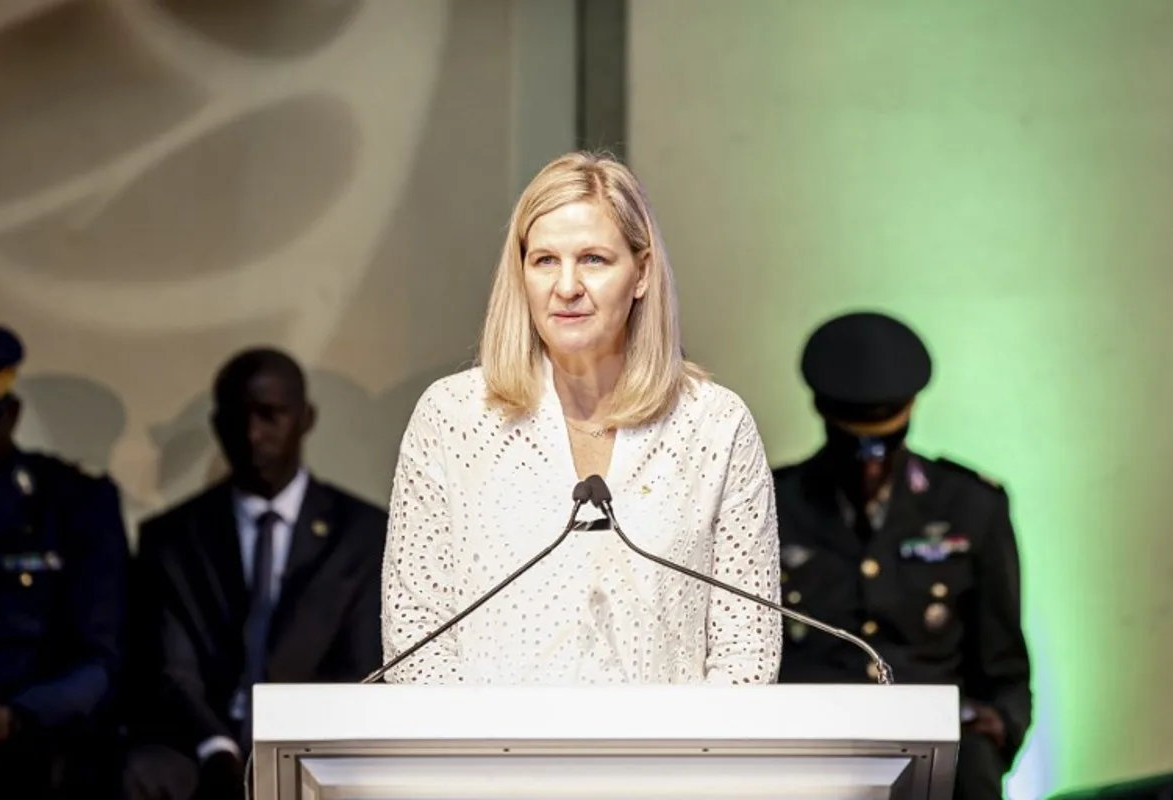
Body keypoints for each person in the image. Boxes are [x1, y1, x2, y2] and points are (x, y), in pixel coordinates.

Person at [380, 151, 781, 685]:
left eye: (593, 259)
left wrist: (685, 764)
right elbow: (416, 638)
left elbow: (746, 653)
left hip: (672, 764)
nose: (566, 286)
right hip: (488, 764)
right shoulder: (451, 418)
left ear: (640, 273)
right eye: (544, 260)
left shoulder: (715, 425)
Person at [772, 310, 1031, 800]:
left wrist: (997, 729)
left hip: (937, 754)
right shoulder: (772, 505)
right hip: (811, 750)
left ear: (909, 411)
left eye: (884, 443)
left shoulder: (971, 506)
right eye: (854, 445)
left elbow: (1003, 666)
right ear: (826, 415)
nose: (870, 463)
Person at [122, 348, 388, 800]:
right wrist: (217, 746)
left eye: (270, 415)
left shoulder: (361, 533)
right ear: (216, 425)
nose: (252, 434)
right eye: (236, 417)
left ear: (306, 418)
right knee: (143, 771)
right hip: (204, 745)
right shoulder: (173, 537)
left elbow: (363, 668)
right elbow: (173, 670)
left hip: (316, 743)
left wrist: (290, 744)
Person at [0, 323, 129, 798]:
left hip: (33, 752)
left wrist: (15, 719)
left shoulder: (72, 502)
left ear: (10, 415)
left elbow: (101, 658)